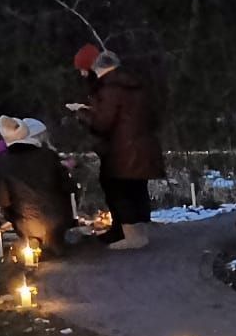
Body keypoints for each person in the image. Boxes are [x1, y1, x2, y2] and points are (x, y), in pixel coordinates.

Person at [68, 50, 164, 250]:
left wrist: (82, 113)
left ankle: (132, 236)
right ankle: (138, 232)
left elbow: (103, 123)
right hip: (141, 145)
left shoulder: (110, 88)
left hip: (122, 149)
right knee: (136, 188)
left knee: (118, 189)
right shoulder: (136, 84)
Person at [0, 117, 76, 257]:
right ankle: (55, 241)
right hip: (57, 219)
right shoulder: (49, 155)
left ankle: (32, 242)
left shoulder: (1, 162)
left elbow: (3, 200)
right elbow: (69, 187)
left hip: (25, 223)